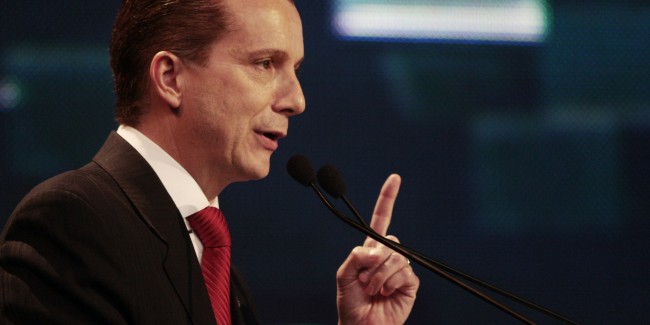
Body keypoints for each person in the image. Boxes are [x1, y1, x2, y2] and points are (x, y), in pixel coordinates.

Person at [0, 0, 419, 324]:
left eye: (296, 69)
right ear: (170, 78)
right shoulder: (71, 221)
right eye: (265, 63)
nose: (296, 100)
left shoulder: (210, 253)